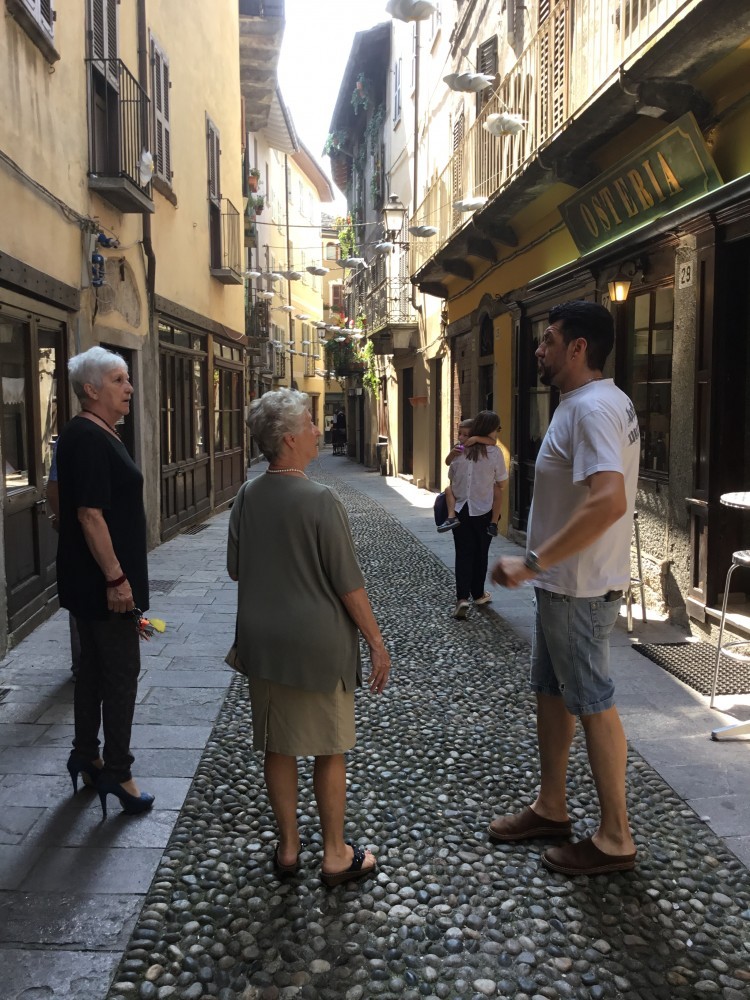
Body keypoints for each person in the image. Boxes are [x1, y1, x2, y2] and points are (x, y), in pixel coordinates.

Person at [489, 300, 639, 876]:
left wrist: (533, 560)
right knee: (551, 692)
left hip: (577, 587)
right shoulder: (594, 403)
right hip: (564, 585)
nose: (539, 350)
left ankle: (615, 839)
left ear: (578, 348)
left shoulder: (594, 409)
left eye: (548, 340)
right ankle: (552, 807)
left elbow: (608, 499)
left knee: (593, 703)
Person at [227, 388, 390, 887]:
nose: (320, 431)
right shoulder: (320, 500)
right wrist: (377, 644)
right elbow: (349, 586)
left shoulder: (246, 496)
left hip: (263, 643)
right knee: (327, 749)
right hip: (317, 646)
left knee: (278, 747)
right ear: (291, 439)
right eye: (311, 425)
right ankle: (336, 854)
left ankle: (290, 848)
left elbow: (236, 569)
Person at [56, 346, 153, 820]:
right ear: (91, 390)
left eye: (127, 379)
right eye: (118, 380)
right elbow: (90, 515)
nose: (129, 387)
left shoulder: (89, 433)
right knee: (120, 674)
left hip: (87, 580)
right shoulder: (91, 439)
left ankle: (85, 754)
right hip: (103, 585)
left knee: (93, 670)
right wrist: (118, 579)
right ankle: (117, 769)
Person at [449, 410, 507, 619]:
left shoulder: (459, 451)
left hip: (461, 510)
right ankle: (479, 594)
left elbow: (451, 475)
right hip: (484, 510)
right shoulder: (495, 453)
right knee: (480, 553)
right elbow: (501, 483)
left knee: (463, 554)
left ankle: (462, 598)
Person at [45, 440, 82, 678]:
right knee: (82, 599)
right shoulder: (74, 439)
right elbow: (54, 489)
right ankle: (83, 665)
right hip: (83, 535)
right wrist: (70, 525)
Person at [437, 418, 495, 532]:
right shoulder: (458, 448)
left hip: (477, 498)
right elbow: (447, 462)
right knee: (448, 489)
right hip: (459, 491)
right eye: (459, 434)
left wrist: (477, 439)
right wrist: (452, 453)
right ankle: (451, 517)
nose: (460, 437)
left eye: (465, 435)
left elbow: (493, 441)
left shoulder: (486, 449)